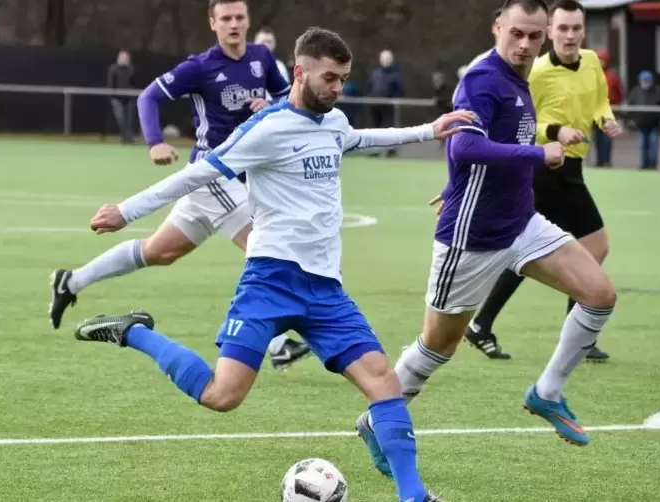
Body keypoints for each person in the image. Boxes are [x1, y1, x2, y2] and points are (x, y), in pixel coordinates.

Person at [75, 27, 473, 502]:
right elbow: (197, 173)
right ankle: (134, 331)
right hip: (269, 280)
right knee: (223, 396)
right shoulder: (266, 129)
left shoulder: (335, 121)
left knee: (384, 384)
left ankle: (414, 496)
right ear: (301, 72)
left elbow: (362, 137)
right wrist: (127, 210)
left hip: (326, 289)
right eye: (330, 78)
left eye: (344, 79)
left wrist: (430, 129)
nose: (338, 88)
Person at [357, 0, 617, 479]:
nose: (525, 44)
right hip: (471, 237)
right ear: (498, 27)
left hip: (520, 222)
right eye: (516, 33)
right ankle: (379, 418)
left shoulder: (521, 76)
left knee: (599, 295)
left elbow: (479, 149)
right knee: (439, 345)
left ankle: (548, 393)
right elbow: (464, 143)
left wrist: (461, 179)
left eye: (534, 36)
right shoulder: (482, 79)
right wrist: (540, 153)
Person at [49, 0, 310, 371]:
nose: (234, 24)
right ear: (212, 23)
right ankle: (279, 343)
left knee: (159, 252)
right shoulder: (200, 67)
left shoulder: (262, 59)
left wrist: (267, 103)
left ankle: (71, 282)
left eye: (239, 17)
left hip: (240, 179)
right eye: (226, 19)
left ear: (248, 20)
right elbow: (149, 96)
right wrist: (155, 140)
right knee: (264, 246)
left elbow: (288, 98)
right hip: (212, 174)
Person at [462, 0, 619, 362]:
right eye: (562, 29)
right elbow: (520, 126)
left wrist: (605, 119)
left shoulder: (592, 62)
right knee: (585, 246)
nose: (570, 35)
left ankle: (482, 324)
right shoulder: (537, 71)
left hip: (573, 170)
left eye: (576, 29)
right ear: (549, 33)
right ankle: (578, 336)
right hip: (544, 169)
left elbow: (599, 101)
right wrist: (555, 130)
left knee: (554, 249)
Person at [627, 70, 660, 170]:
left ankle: (652, 165)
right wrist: (631, 119)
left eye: (647, 81)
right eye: (643, 81)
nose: (645, 83)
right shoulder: (635, 91)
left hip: (655, 124)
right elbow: (630, 105)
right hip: (642, 124)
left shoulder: (659, 91)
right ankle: (644, 164)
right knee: (643, 145)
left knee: (653, 145)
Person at [106, 50, 137, 144]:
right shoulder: (113, 69)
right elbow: (110, 83)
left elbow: (134, 83)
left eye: (126, 57)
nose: (124, 59)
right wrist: (111, 97)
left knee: (129, 120)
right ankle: (126, 137)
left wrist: (132, 94)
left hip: (129, 98)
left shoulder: (131, 69)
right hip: (116, 99)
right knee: (120, 119)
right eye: (122, 57)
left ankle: (128, 138)